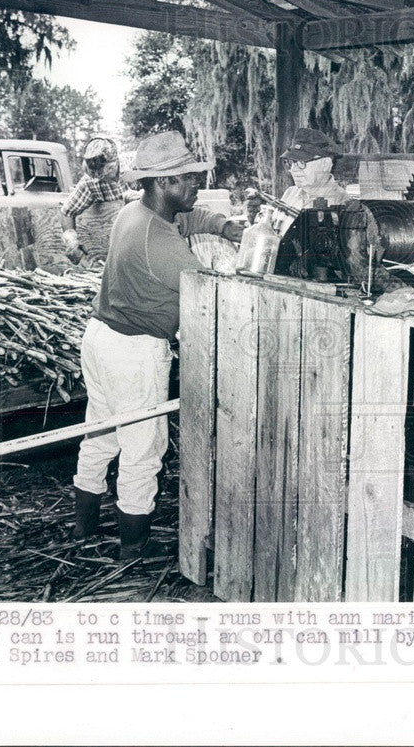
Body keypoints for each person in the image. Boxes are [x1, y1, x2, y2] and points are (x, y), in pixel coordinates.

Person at [71, 131, 244, 560]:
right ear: (164, 183)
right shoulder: (161, 243)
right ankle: (132, 550)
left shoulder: (137, 212)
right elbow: (208, 299)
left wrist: (226, 227)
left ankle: (83, 527)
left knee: (101, 434)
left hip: (99, 338)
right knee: (143, 449)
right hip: (134, 349)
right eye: (188, 179)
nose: (196, 186)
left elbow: (193, 218)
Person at [59, 136, 128, 263]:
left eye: (101, 174)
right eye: (93, 174)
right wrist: (71, 242)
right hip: (114, 250)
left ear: (113, 165)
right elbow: (67, 212)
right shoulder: (90, 181)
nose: (97, 179)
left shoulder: (135, 167)